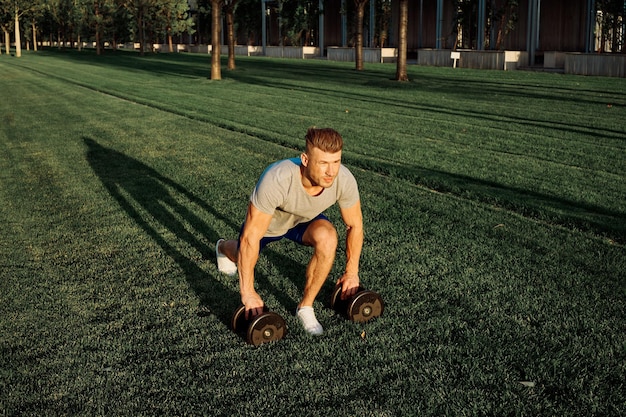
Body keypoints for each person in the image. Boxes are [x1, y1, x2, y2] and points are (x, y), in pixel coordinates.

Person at [215, 127, 364, 336]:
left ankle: (306, 307)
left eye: (336, 162)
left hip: (304, 222)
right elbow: (251, 237)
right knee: (243, 254)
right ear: (305, 159)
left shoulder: (343, 179)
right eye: (323, 163)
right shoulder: (277, 179)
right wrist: (247, 292)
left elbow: (355, 225)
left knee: (328, 237)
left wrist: (351, 272)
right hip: (270, 225)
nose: (331, 172)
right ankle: (222, 247)